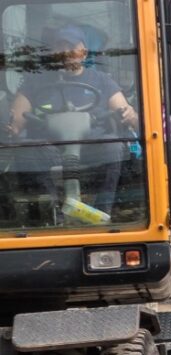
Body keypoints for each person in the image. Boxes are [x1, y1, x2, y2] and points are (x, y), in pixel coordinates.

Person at [5, 26, 140, 218]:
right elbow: (17, 118)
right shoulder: (35, 82)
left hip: (90, 148)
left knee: (114, 147)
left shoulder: (101, 80)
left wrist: (129, 115)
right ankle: (50, 212)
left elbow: (126, 111)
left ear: (84, 52)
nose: (65, 53)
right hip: (51, 148)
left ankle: (101, 212)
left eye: (70, 47)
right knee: (27, 151)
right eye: (60, 47)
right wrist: (13, 126)